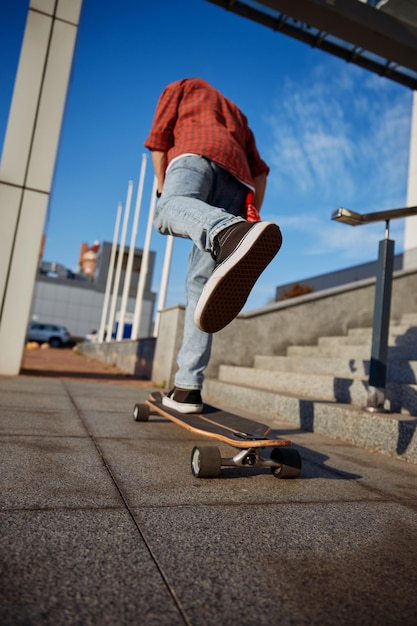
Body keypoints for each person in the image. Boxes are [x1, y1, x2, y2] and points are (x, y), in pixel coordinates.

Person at [144, 78, 282, 413]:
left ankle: (227, 232)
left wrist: (164, 189)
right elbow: (260, 172)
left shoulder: (183, 86)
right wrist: (251, 216)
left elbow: (160, 139)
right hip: (238, 181)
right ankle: (187, 388)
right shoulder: (239, 116)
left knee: (165, 211)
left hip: (193, 157)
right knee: (201, 288)